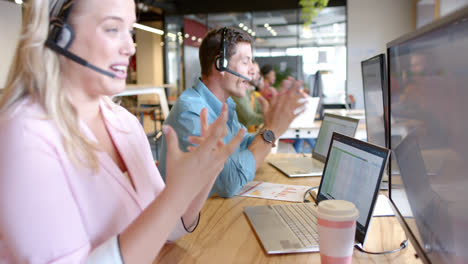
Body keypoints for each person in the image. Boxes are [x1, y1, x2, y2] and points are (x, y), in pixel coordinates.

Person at [0, 0, 244, 263]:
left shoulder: (122, 122)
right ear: (57, 34)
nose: (130, 47)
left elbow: (165, 228)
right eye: (112, 29)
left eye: (130, 30)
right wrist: (174, 197)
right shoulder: (24, 135)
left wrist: (206, 171)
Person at [158, 27, 305, 198]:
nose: (252, 71)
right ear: (221, 64)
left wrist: (270, 127)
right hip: (191, 219)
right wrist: (272, 131)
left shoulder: (224, 104)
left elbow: (242, 144)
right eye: (245, 61)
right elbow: (230, 182)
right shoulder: (191, 113)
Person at [232, 60, 265, 132]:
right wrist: (271, 118)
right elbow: (250, 118)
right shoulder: (240, 92)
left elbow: (261, 110)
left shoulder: (250, 93)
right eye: (257, 72)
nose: (259, 76)